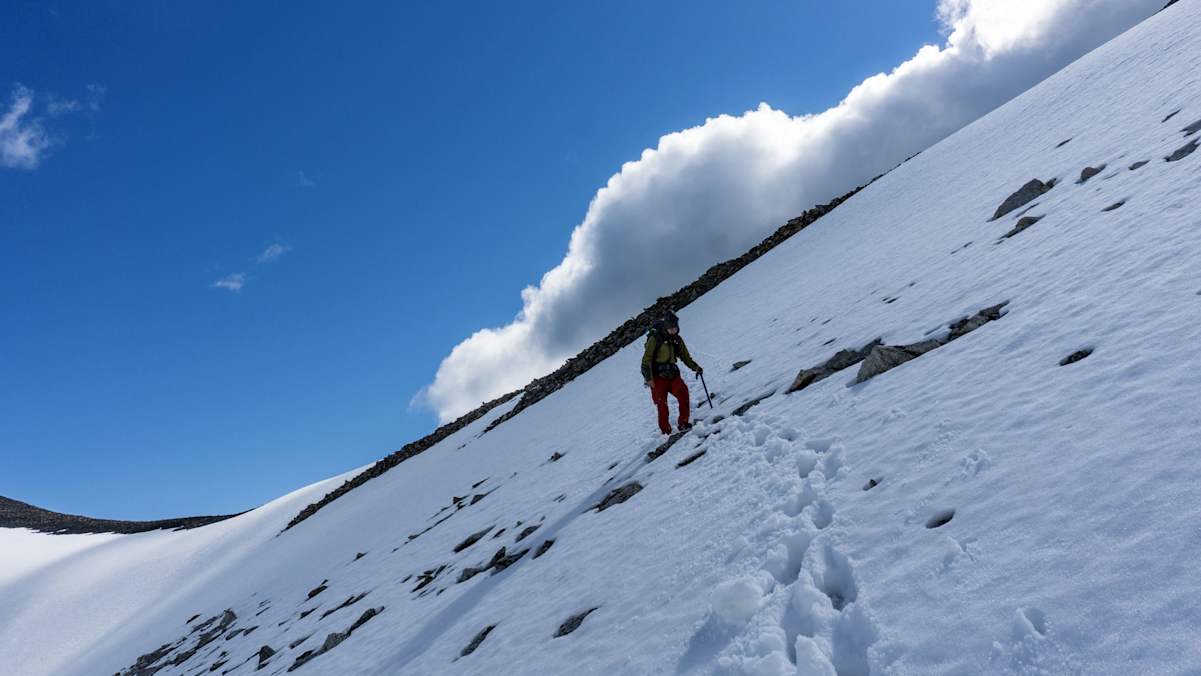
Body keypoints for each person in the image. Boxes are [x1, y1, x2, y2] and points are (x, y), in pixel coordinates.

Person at [641, 311, 704, 434]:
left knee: (683, 394)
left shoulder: (677, 340)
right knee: (662, 405)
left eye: (675, 328)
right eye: (671, 329)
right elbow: (646, 360)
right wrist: (649, 379)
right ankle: (666, 432)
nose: (673, 331)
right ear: (666, 327)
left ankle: (683, 423)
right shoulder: (655, 339)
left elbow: (685, 356)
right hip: (657, 378)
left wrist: (695, 367)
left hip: (673, 374)